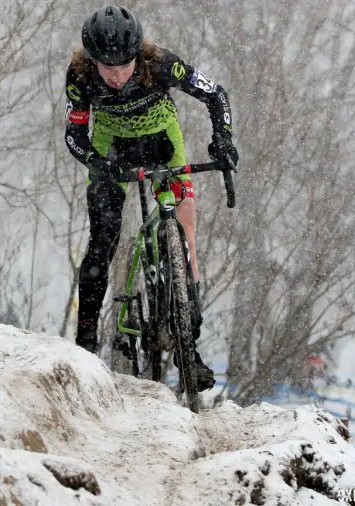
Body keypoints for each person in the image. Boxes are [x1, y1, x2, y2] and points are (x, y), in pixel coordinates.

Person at [64, 5, 239, 391]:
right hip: (111, 150)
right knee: (102, 241)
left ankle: (187, 346)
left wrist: (222, 140)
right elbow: (74, 136)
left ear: (136, 55)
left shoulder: (159, 63)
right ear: (91, 60)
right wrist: (97, 162)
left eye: (122, 65)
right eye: (104, 66)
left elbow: (215, 94)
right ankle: (86, 342)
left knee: (185, 231)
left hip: (161, 141)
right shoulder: (79, 76)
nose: (113, 74)